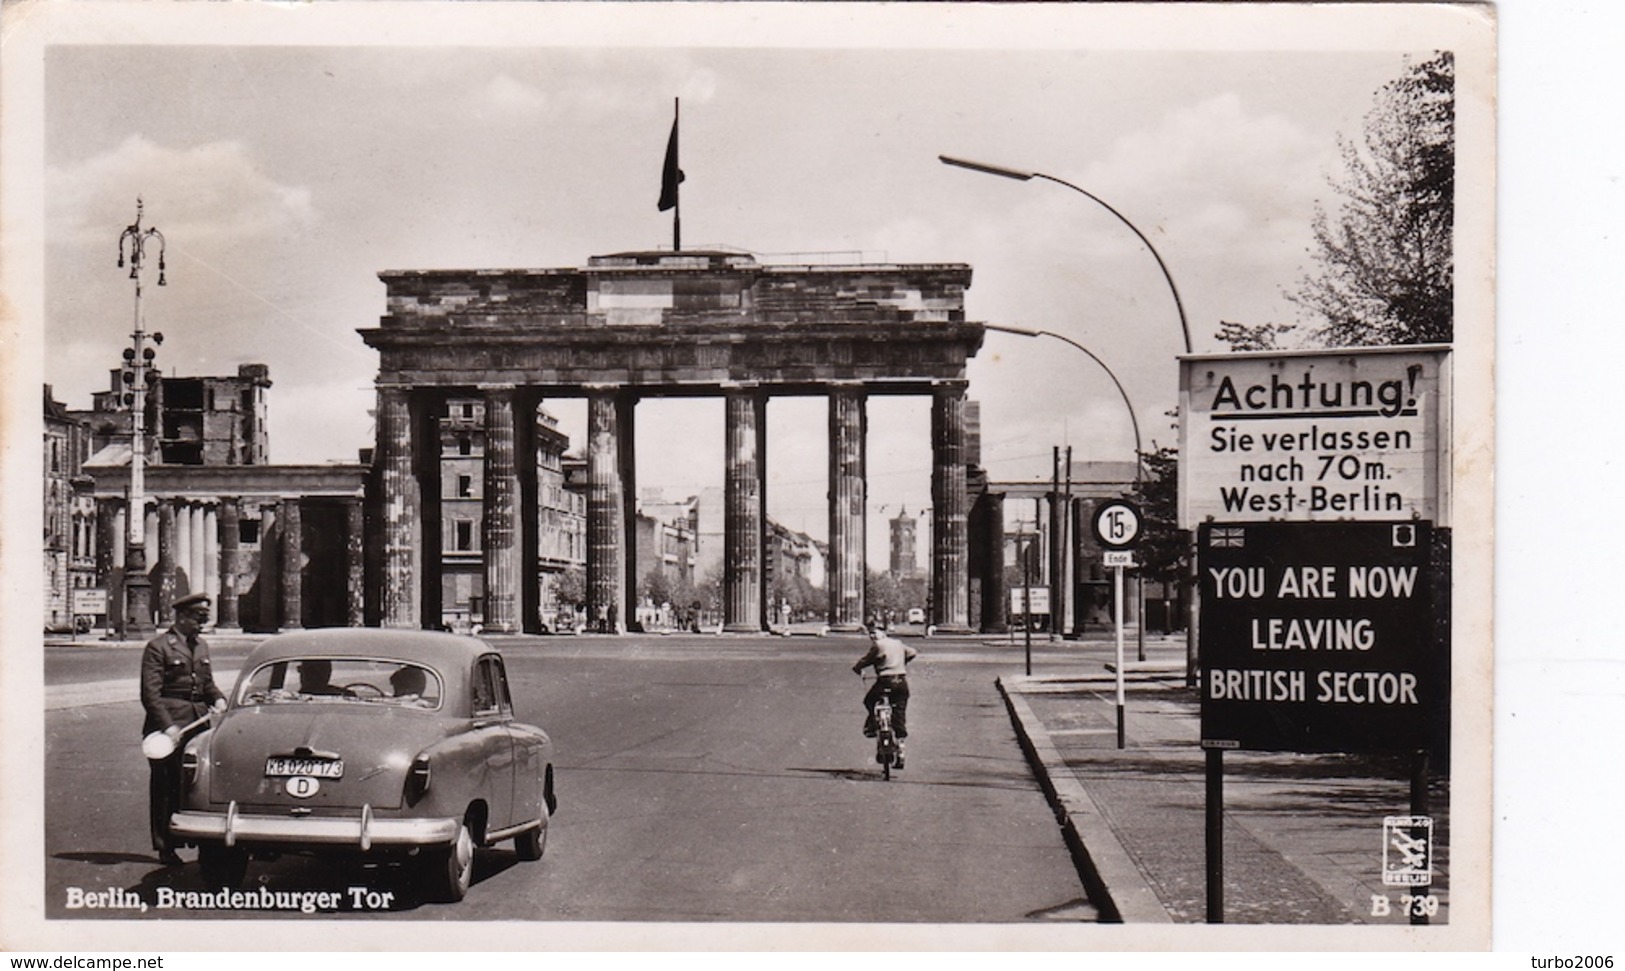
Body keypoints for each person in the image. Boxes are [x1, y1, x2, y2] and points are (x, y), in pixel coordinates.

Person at [139, 592, 226, 866]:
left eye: (205, 619)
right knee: (166, 786)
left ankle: (200, 842)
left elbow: (206, 683)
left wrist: (219, 698)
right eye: (199, 618)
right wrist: (168, 727)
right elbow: (150, 695)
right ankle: (166, 846)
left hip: (198, 726)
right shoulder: (159, 647)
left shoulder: (201, 646)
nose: (203, 624)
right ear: (182, 617)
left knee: (198, 784)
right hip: (169, 729)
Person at [851, 623, 918, 767]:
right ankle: (901, 749)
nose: (872, 636)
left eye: (874, 633)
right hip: (901, 681)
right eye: (870, 633)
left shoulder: (878, 645)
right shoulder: (898, 643)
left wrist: (857, 668)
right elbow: (913, 652)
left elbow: (866, 660)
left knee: (869, 701)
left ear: (883, 632)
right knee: (899, 713)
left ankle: (873, 725)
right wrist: (901, 662)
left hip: (885, 680)